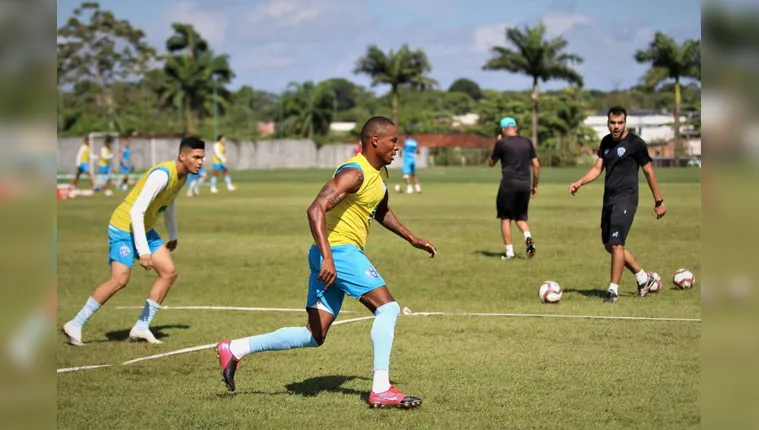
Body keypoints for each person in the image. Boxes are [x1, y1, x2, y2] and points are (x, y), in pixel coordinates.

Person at [215, 116, 437, 409]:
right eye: (393, 140)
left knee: (314, 334)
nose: (398, 146)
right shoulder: (354, 173)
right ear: (375, 141)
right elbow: (315, 209)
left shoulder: (379, 174)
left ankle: (235, 348)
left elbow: (380, 210)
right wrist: (329, 257)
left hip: (332, 255)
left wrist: (412, 238)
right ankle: (381, 388)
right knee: (388, 308)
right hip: (339, 252)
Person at [62, 137, 206, 345]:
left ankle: (141, 327)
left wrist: (173, 234)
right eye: (196, 157)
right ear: (182, 156)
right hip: (123, 227)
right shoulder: (161, 175)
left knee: (169, 273)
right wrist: (144, 251)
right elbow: (136, 210)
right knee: (120, 279)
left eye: (202, 157)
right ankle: (75, 323)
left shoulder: (182, 177)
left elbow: (169, 204)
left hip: (144, 229)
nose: (200, 162)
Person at [569, 106, 666, 303]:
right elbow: (598, 168)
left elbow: (649, 172)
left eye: (620, 123)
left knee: (616, 243)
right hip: (609, 199)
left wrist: (659, 201)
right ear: (608, 123)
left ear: (625, 122)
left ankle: (613, 291)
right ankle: (643, 278)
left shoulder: (636, 144)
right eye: (612, 123)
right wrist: (580, 181)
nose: (616, 127)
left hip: (627, 199)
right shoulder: (605, 142)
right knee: (609, 245)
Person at [488, 117, 539, 259]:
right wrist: (534, 184)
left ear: (503, 130)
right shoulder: (527, 142)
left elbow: (491, 163)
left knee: (505, 218)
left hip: (508, 185)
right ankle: (527, 236)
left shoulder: (502, 143)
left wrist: (497, 142)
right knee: (521, 217)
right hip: (524, 185)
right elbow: (536, 165)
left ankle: (509, 252)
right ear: (515, 128)